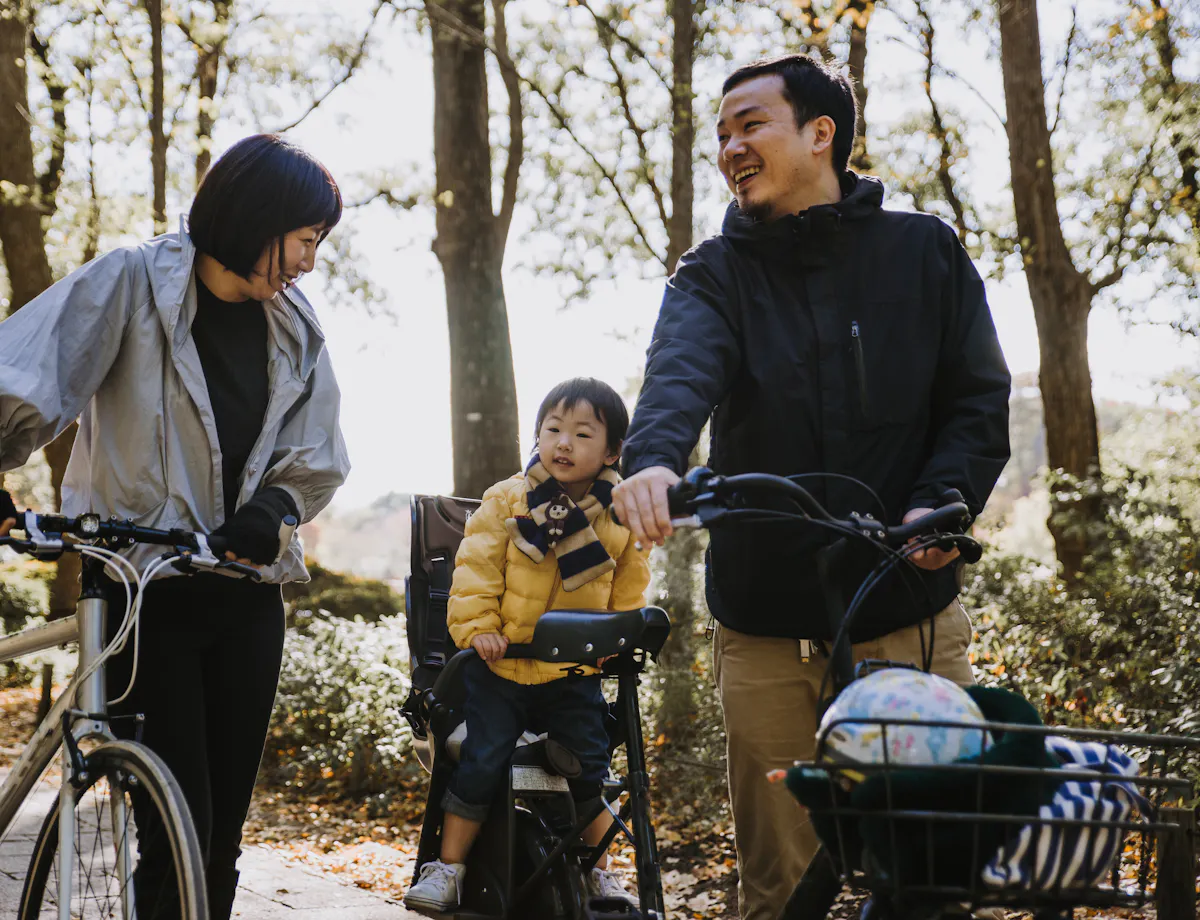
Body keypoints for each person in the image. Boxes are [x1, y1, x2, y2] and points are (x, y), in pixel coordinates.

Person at [611, 54, 1011, 920]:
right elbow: (679, 371)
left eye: (750, 124)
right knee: (782, 888)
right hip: (765, 626)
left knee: (927, 880)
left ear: (819, 133)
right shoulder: (713, 272)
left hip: (907, 615)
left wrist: (940, 500)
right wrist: (652, 459)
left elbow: (976, 400)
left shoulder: (925, 252)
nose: (730, 147)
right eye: (721, 134)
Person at [0, 134, 350, 919]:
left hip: (247, 597)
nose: (309, 262)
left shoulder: (295, 327)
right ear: (257, 222)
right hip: (140, 589)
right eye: (304, 240)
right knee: (176, 824)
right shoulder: (130, 283)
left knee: (216, 841)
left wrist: (275, 509)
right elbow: (23, 372)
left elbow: (316, 452)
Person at [404, 377, 651, 914]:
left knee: (592, 767)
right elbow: (474, 574)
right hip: (504, 668)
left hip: (571, 672)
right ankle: (448, 867)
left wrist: (614, 635)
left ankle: (597, 873)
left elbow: (629, 585)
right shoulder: (507, 499)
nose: (564, 443)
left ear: (611, 452)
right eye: (553, 429)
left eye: (582, 434)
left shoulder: (618, 513)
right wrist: (480, 631)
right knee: (482, 760)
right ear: (537, 436)